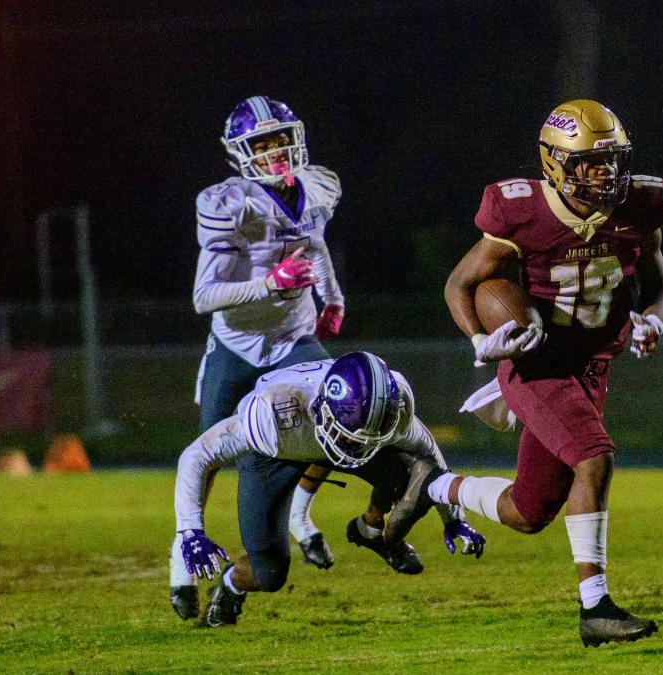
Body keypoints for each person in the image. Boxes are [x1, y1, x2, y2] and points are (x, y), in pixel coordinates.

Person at [394, 99, 663, 647]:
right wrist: (483, 341)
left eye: (614, 162)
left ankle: (433, 485)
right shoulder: (520, 210)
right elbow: (459, 285)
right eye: (591, 165)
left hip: (593, 367)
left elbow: (659, 286)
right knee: (595, 460)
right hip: (537, 363)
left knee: (528, 511)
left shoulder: (641, 204)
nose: (607, 176)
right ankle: (595, 609)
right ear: (554, 164)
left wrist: (653, 322)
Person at [170, 95, 347, 620]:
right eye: (261, 145)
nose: (274, 153)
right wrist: (270, 282)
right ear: (240, 154)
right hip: (236, 345)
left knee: (340, 419)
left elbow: (314, 244)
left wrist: (332, 297)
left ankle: (299, 515)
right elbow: (205, 297)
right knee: (209, 455)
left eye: (279, 140)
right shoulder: (230, 203)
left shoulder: (316, 186)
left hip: (292, 338)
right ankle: (182, 557)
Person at [173, 352, 486, 627]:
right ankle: (230, 585)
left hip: (319, 433)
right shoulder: (272, 413)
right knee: (269, 574)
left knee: (412, 477)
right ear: (322, 409)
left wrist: (453, 517)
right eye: (351, 438)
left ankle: (370, 529)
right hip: (276, 454)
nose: (357, 449)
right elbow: (197, 454)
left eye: (369, 439)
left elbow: (428, 454)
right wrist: (189, 530)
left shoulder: (392, 406)